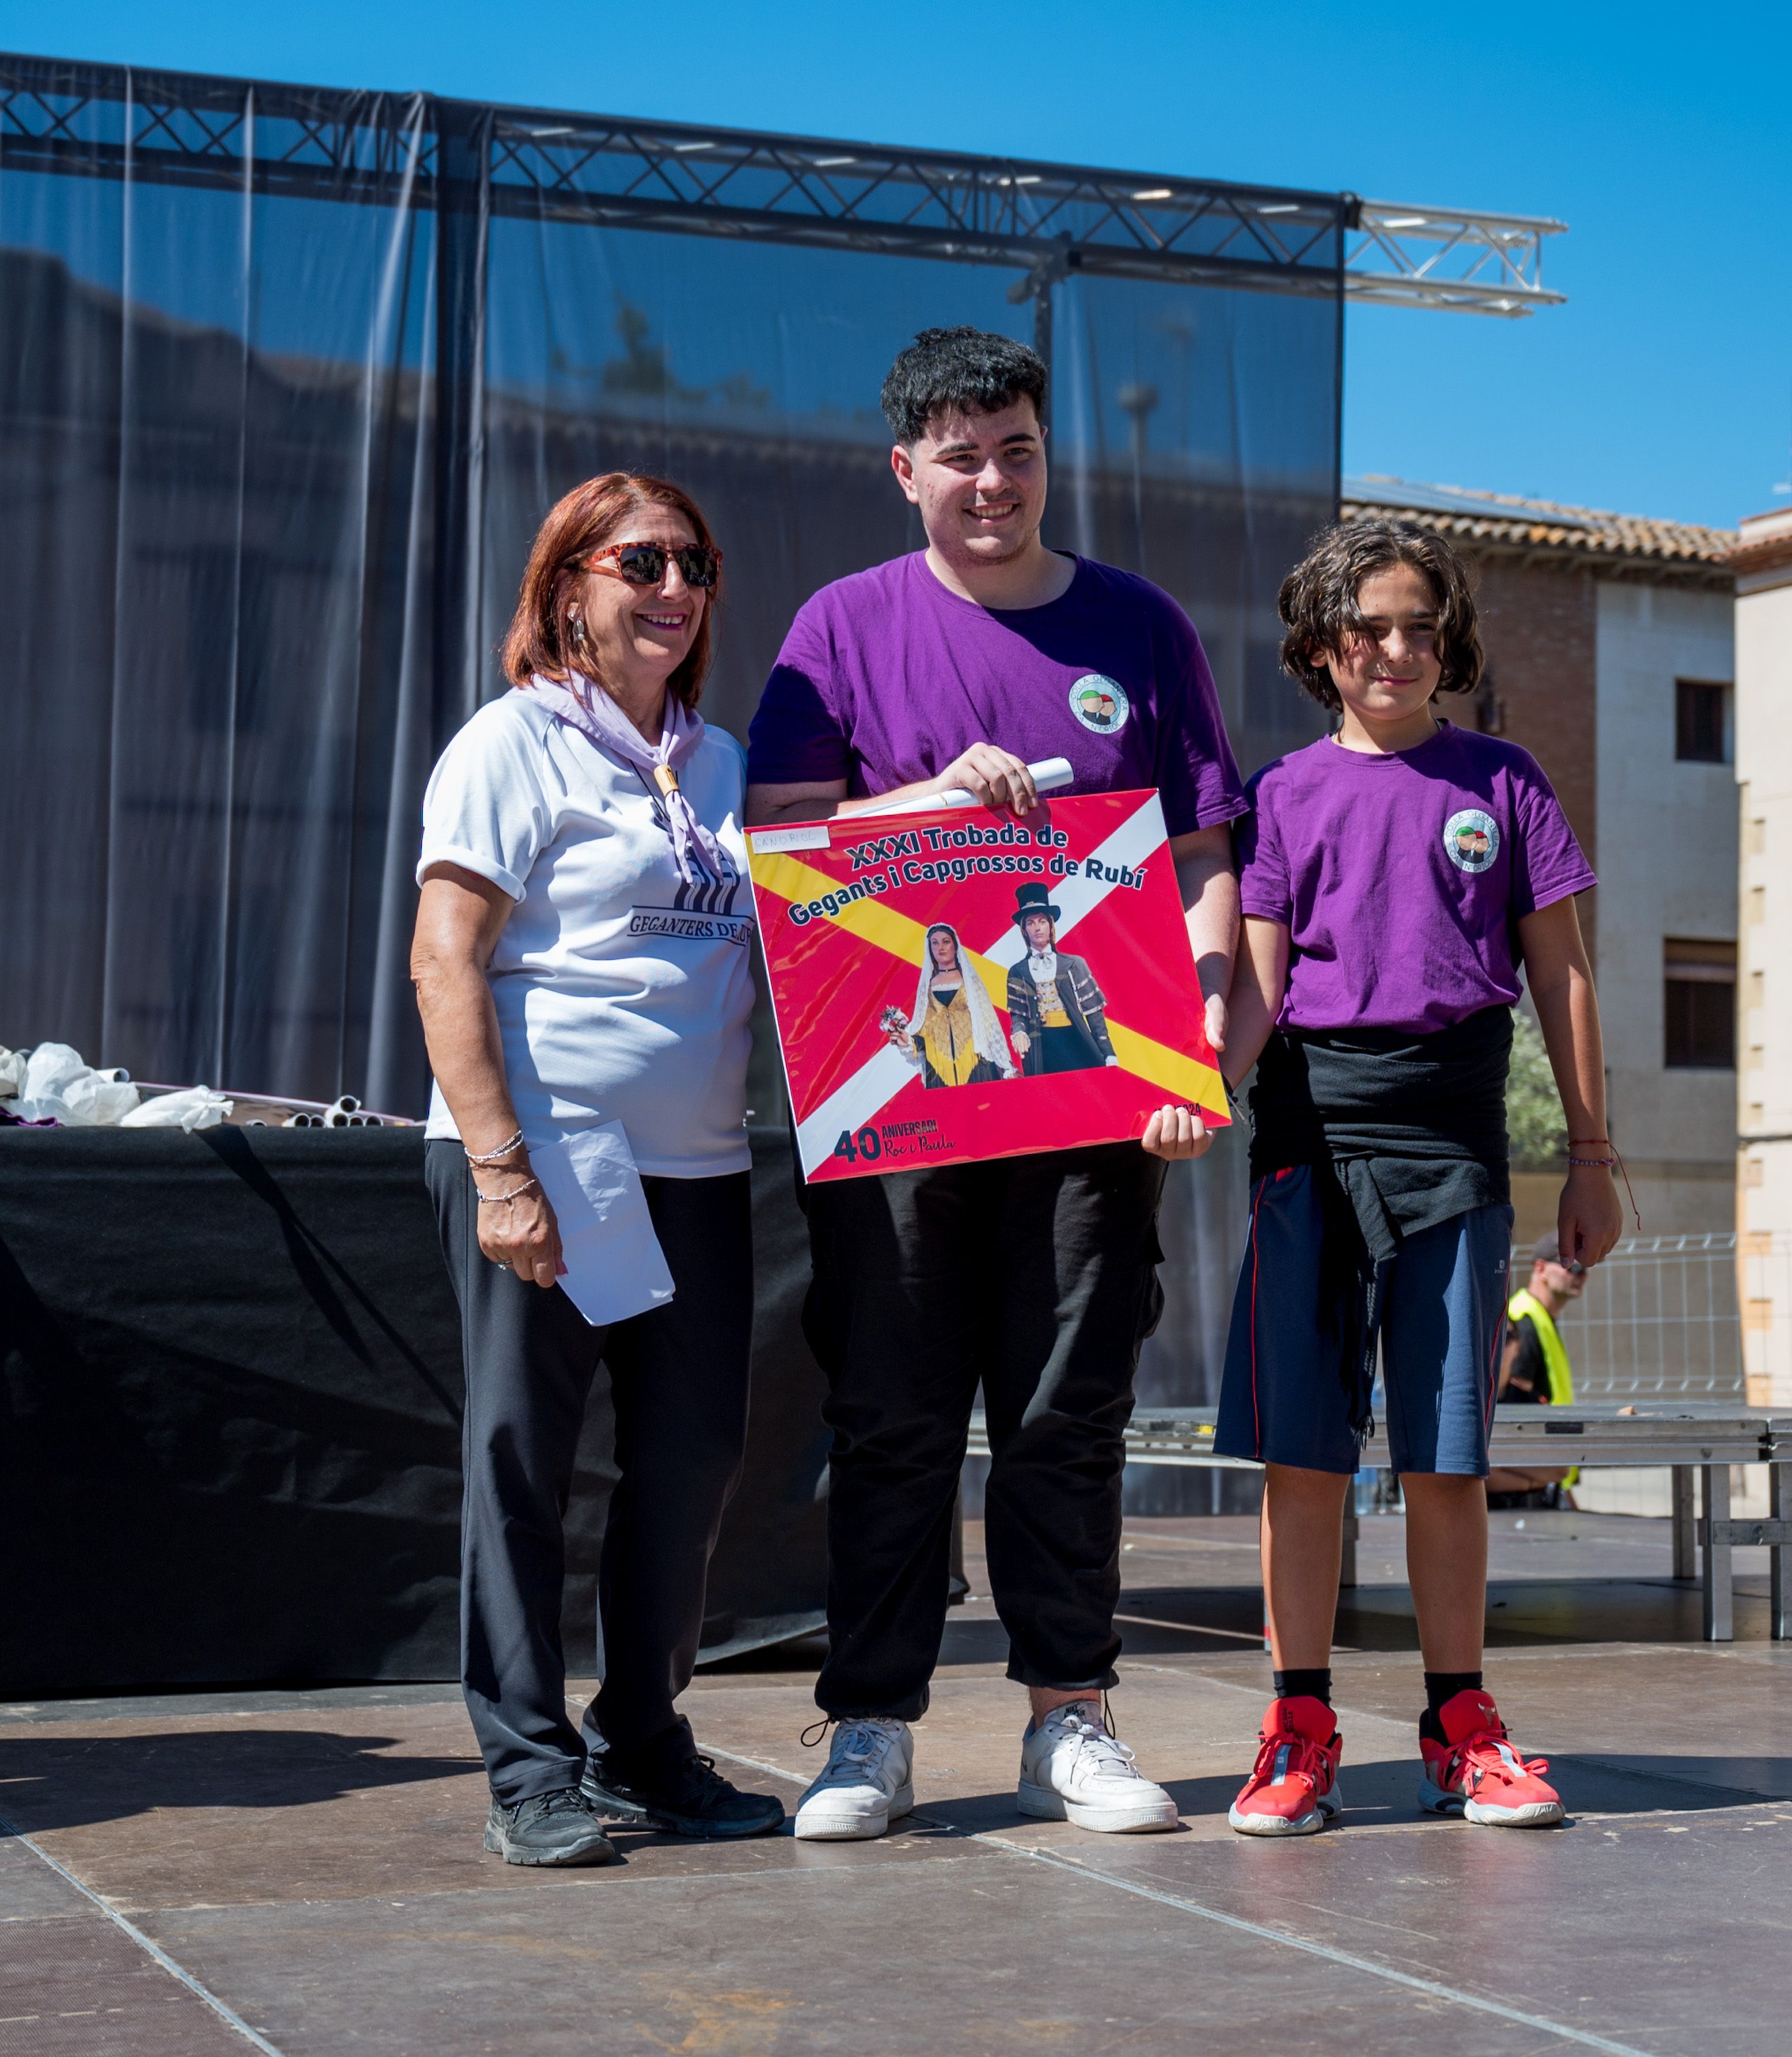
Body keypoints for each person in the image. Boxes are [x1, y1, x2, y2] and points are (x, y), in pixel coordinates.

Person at [745, 326, 1239, 1841]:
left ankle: (1067, 1719)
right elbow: (777, 843)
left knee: (1065, 1409)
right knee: (890, 1410)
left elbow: (1204, 859)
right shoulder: (838, 626)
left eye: (1015, 448)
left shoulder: (1140, 626)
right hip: (900, 1098)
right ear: (904, 471)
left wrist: (1194, 1052)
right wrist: (923, 797)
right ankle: (869, 1729)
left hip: (1098, 1102)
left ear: (1045, 456)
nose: (991, 480)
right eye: (958, 454)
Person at [1213, 516, 1622, 1839]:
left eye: (1417, 627)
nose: (1395, 649)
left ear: (1443, 644)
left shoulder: (1502, 784)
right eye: (1368, 627)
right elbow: (1258, 982)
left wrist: (1591, 1153)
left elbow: (1560, 973)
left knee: (1446, 1452)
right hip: (1306, 1144)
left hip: (1454, 1149)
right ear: (1322, 645)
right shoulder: (1278, 795)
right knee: (1305, 1453)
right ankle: (1296, 1725)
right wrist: (1186, 1077)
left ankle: (1461, 1723)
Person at [409, 473, 781, 1867]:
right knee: (521, 1462)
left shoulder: (724, 760)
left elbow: (842, 886)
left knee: (691, 1458)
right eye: (642, 561)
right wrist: (502, 1170)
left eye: (696, 560)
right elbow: (442, 955)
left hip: (690, 1166)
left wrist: (959, 793)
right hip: (544, 1155)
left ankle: (640, 1736)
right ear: (567, 583)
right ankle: (526, 1764)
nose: (674, 587)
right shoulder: (512, 743)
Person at [1487, 1231, 1583, 1508]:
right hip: (1517, 1492)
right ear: (1540, 1269)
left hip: (1547, 1473)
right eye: (1572, 1267)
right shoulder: (1523, 1322)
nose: (1581, 1276)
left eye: (1585, 1270)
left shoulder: (1540, 1319)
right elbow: (1513, 1414)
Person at [1001, 882, 1113, 1075]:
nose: (1037, 928)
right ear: (1024, 930)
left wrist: (1109, 1054)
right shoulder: (1017, 971)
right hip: (1042, 1049)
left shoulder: (1075, 964)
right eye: (1031, 923)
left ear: (1050, 925)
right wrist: (1018, 1031)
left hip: (1076, 1042)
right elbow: (1018, 1014)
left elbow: (1094, 1016)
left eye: (1042, 921)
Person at [892, 923, 1012, 1088]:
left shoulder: (970, 982)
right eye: (935, 943)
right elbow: (924, 1032)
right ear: (929, 949)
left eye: (945, 942)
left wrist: (1005, 1065)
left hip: (976, 1061)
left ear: (955, 945)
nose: (940, 947)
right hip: (939, 1067)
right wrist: (907, 1041)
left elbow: (989, 1024)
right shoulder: (927, 988)